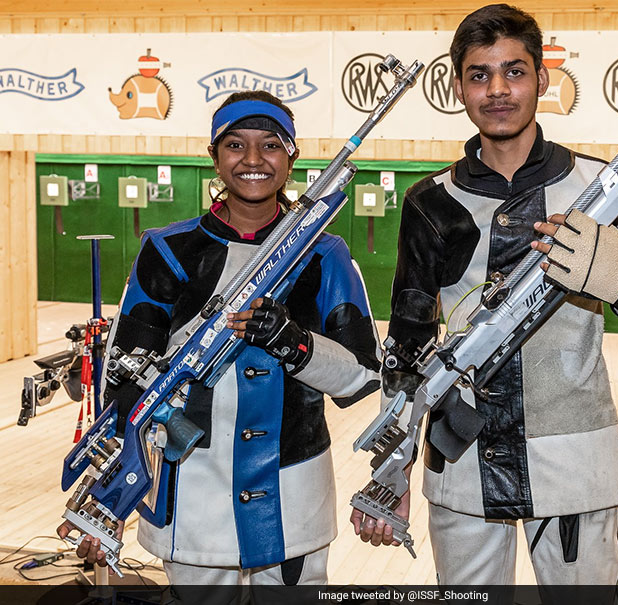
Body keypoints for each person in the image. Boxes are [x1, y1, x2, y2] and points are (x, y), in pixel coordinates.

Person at [351, 3, 618, 585]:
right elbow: (407, 352)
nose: (498, 90)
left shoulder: (601, 189)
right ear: (458, 86)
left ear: (543, 79)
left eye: (514, 72)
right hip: (459, 464)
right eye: (479, 74)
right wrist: (395, 468)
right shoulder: (429, 202)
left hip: (573, 471)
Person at [58, 90, 381, 587]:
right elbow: (124, 381)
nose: (253, 160)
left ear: (292, 157)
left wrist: (294, 343)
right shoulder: (166, 250)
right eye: (235, 145)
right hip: (192, 499)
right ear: (214, 156)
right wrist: (107, 501)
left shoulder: (326, 254)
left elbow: (361, 376)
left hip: (293, 492)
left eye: (270, 145)